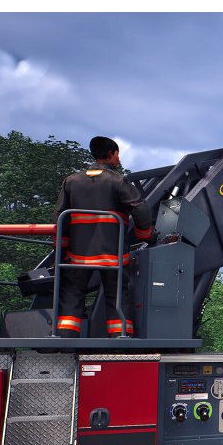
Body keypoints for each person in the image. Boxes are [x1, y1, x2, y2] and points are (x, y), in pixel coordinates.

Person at [53, 136, 154, 338]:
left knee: (72, 294)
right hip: (112, 255)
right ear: (111, 153)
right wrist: (146, 235)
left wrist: (62, 249)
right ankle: (120, 339)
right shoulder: (118, 181)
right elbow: (141, 208)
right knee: (116, 296)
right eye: (118, 154)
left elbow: (59, 218)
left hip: (78, 256)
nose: (119, 159)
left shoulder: (71, 182)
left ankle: (65, 339)